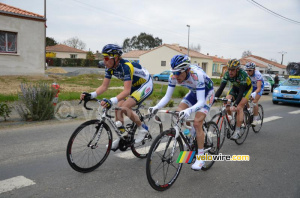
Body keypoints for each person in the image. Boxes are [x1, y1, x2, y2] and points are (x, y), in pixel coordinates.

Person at [80, 44, 153, 150]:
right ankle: (122, 136)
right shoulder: (109, 67)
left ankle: (142, 128)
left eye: (106, 58)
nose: (104, 61)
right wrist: (91, 95)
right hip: (133, 85)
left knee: (125, 107)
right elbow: (104, 86)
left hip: (145, 84)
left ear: (116, 57)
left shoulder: (126, 66)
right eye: (103, 58)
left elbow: (127, 91)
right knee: (118, 109)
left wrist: (111, 100)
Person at [148, 55, 215, 171]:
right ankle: (190, 136)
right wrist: (156, 106)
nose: (175, 76)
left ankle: (200, 157)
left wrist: (189, 110)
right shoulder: (173, 76)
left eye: (179, 73)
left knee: (197, 123)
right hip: (194, 93)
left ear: (187, 70)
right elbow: (167, 96)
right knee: (178, 113)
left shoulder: (196, 75)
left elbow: (201, 101)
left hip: (207, 94)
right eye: (174, 72)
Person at [214, 59, 253, 140]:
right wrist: (213, 99)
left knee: (239, 108)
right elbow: (221, 89)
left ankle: (237, 131)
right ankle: (231, 119)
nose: (230, 72)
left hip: (245, 90)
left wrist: (235, 104)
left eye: (232, 70)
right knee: (226, 101)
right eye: (229, 69)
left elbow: (241, 92)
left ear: (237, 69)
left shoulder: (242, 75)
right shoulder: (227, 74)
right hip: (235, 88)